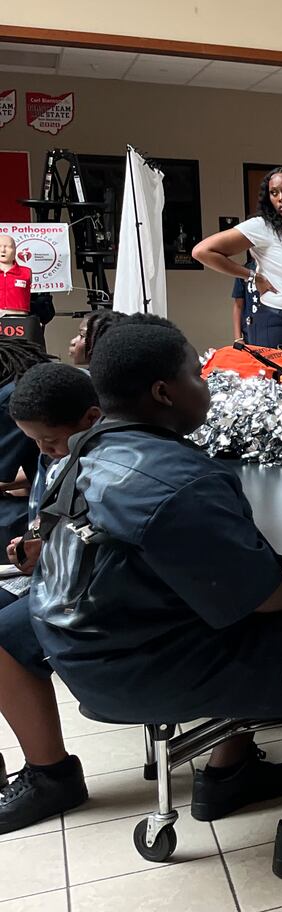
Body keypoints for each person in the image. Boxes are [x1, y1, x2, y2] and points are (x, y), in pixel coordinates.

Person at [30, 318, 282, 877]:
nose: (205, 385)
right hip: (139, 666)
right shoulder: (177, 478)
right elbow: (262, 597)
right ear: (164, 392)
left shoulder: (84, 451)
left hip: (83, 647)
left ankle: (230, 774)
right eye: (195, 375)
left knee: (229, 614)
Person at [0, 350, 79, 833]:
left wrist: (48, 549)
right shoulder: (65, 448)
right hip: (60, 566)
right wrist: (42, 544)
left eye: (46, 443)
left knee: (4, 638)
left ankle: (52, 774)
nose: (41, 453)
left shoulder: (103, 457)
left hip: (99, 592)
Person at [193, 167, 282, 363]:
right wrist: (252, 276)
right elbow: (202, 251)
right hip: (280, 323)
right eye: (274, 193)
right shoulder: (263, 226)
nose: (280, 198)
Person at [0, 234, 32, 321]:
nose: (3, 250)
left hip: (19, 318)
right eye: (0, 246)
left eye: (8, 247)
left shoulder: (26, 272)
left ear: (15, 250)